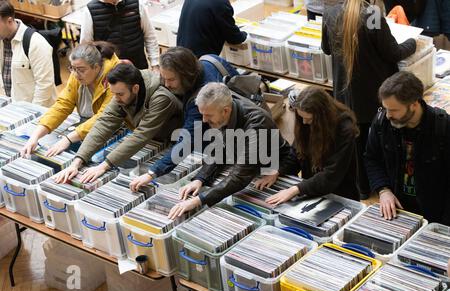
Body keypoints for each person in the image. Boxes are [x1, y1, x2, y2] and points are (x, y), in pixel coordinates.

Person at [322, 0, 417, 199]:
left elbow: (327, 49)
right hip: (371, 95)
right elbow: (393, 52)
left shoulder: (330, 13)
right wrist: (413, 42)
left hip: (344, 94)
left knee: (356, 144)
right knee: (372, 144)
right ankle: (380, 187)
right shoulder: (371, 15)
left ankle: (363, 188)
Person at [167, 82, 290, 220]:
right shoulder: (223, 112)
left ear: (225, 111)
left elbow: (240, 176)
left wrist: (198, 200)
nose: (204, 119)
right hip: (248, 167)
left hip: (274, 168)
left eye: (208, 115)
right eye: (202, 114)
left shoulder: (257, 123)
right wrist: (200, 179)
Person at [130, 47, 238, 192]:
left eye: (171, 79)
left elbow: (186, 143)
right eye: (164, 78)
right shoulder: (209, 59)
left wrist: (151, 173)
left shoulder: (199, 101)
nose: (166, 84)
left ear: (186, 75)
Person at [53, 63, 182, 184]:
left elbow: (141, 135)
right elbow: (104, 123)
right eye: (113, 93)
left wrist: (103, 166)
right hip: (151, 142)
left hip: (176, 145)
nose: (116, 98)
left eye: (120, 94)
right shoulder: (121, 91)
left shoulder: (162, 98)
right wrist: (76, 162)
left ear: (135, 88)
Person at [365, 71, 450, 225]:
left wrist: (444, 226)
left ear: (414, 104)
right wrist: (383, 190)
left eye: (394, 110)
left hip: (434, 215)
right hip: (397, 210)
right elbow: (372, 158)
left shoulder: (443, 128)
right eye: (385, 108)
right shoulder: (382, 122)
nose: (388, 115)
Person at [253, 86, 360, 204]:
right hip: (312, 190)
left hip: (339, 194)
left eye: (309, 119)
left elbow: (331, 175)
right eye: (301, 117)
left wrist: (296, 189)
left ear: (322, 116)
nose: (304, 122)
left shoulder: (344, 130)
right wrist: (277, 171)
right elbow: (296, 153)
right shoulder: (304, 123)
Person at [21, 42, 120, 158]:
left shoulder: (115, 78)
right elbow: (63, 105)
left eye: (81, 70)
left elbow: (104, 117)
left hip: (115, 129)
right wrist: (35, 136)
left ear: (97, 67)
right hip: (87, 126)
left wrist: (68, 139)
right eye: (72, 68)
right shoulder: (76, 74)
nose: (76, 74)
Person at [0, 0, 56, 107]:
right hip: (10, 109)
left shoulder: (37, 43)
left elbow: (44, 85)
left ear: (10, 21)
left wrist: (31, 114)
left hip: (34, 113)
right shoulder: (2, 39)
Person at [81, 0, 160, 70]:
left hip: (138, 66)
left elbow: (149, 36)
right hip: (110, 72)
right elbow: (86, 47)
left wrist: (155, 64)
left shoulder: (137, 4)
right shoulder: (89, 10)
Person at [176, 0, 247, 57]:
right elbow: (234, 38)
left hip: (181, 54)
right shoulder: (220, 3)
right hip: (200, 60)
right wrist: (246, 33)